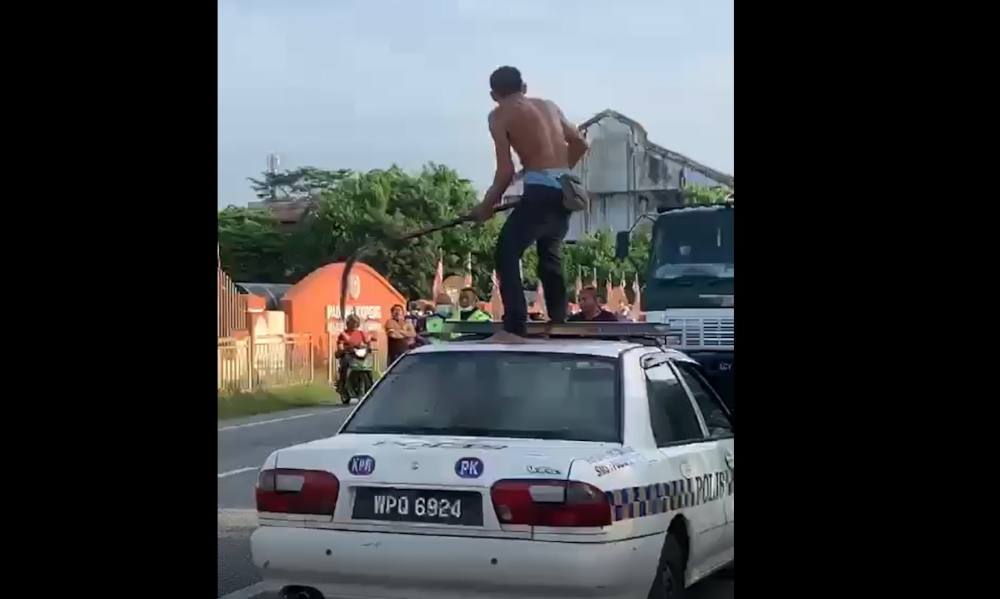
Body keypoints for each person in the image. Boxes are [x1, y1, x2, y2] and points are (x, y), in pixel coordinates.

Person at [469, 66, 589, 341]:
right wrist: (558, 174)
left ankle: (514, 326)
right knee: (550, 253)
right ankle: (559, 318)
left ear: (493, 95)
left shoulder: (499, 115)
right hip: (567, 190)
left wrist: (486, 206)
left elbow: (505, 172)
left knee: (507, 253)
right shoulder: (549, 106)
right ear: (524, 87)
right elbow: (580, 144)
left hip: (541, 191)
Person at [337, 314, 371, 395]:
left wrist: (369, 347)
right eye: (352, 322)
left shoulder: (361, 333)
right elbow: (340, 345)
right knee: (345, 363)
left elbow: (367, 341)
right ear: (348, 323)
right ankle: (342, 385)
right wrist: (344, 349)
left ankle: (371, 384)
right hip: (348, 355)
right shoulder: (343, 334)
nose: (354, 324)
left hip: (359, 354)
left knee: (368, 366)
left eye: (355, 322)